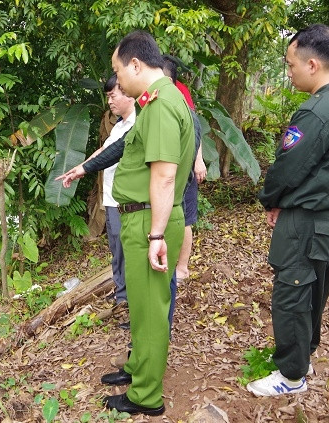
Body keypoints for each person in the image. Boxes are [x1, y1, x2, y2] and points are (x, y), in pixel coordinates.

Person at [58, 30, 195, 416]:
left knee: (152, 312)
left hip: (151, 221)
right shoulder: (153, 103)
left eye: (119, 72)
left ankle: (146, 398)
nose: (117, 80)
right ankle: (138, 368)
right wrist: (84, 168)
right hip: (138, 218)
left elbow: (165, 176)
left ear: (136, 65)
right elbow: (125, 146)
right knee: (140, 303)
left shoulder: (165, 104)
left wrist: (155, 235)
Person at [247, 24, 329, 397]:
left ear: (312, 64)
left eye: (290, 65)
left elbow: (289, 168)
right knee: (313, 291)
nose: (288, 73)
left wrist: (271, 199)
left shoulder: (318, 111)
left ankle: (291, 375)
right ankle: (303, 357)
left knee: (292, 293)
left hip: (307, 221)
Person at [161, 55, 206, 330]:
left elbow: (194, 126)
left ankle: (183, 266)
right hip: (168, 169)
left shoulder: (179, 93)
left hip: (184, 168)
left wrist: (198, 160)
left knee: (186, 217)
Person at [88, 74, 136, 305]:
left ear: (127, 93)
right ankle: (122, 295)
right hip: (110, 199)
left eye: (112, 95)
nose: (109, 102)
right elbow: (104, 152)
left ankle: (127, 298)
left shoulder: (137, 124)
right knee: (116, 250)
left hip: (124, 200)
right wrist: (80, 168)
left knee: (125, 251)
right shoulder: (118, 126)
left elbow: (113, 154)